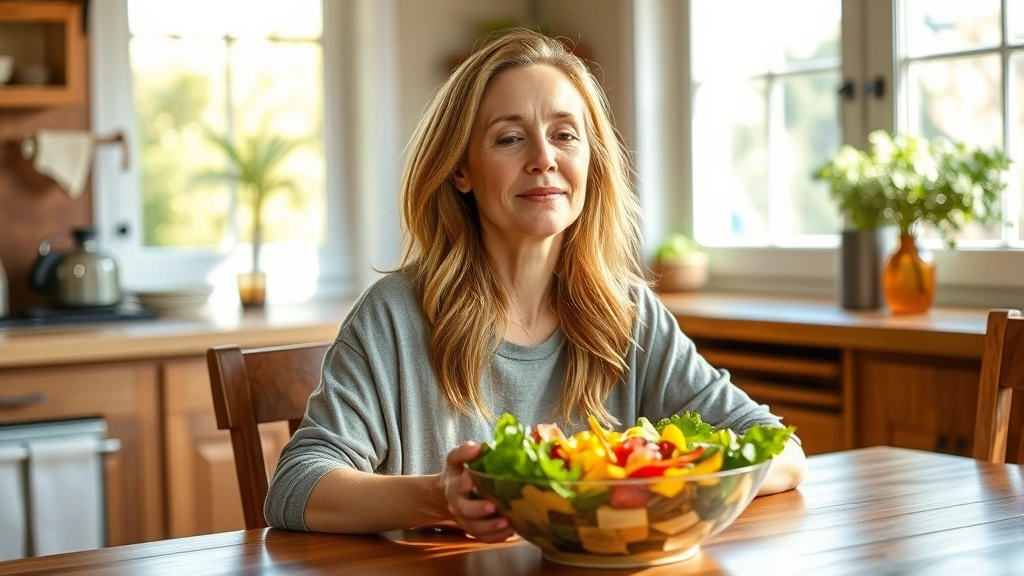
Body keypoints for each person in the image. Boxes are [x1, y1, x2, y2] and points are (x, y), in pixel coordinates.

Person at [265, 28, 806, 542]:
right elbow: (296, 485)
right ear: (461, 170)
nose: (544, 158)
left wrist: (668, 475)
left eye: (565, 135)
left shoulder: (631, 315)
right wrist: (439, 497)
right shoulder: (395, 316)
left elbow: (780, 451)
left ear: (590, 161)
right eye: (510, 138)